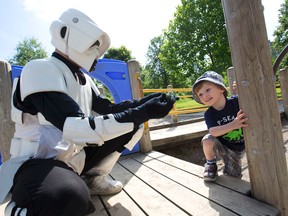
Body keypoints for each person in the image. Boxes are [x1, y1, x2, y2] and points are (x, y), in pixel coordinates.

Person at [0, 8, 176, 216]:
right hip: (36, 165)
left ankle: (92, 178)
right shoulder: (40, 69)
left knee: (132, 123)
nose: (98, 53)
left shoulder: (84, 80)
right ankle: (21, 209)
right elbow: (76, 127)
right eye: (94, 46)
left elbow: (109, 110)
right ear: (71, 37)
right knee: (69, 197)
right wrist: (143, 111)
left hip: (71, 159)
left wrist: (147, 104)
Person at [192, 71, 248, 182]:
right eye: (200, 94)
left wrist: (243, 89)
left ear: (221, 89)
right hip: (226, 148)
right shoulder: (209, 114)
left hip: (248, 142)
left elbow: (251, 98)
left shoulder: (236, 102)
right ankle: (211, 164)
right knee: (207, 140)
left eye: (207, 90)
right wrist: (234, 124)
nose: (205, 95)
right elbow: (213, 131)